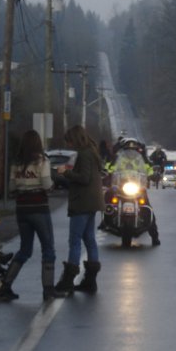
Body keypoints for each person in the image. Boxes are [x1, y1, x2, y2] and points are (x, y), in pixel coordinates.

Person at [0, 129, 56, 301]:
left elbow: (12, 187)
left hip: (22, 209)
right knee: (48, 249)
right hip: (39, 208)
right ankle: (48, 290)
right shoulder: (42, 160)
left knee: (25, 249)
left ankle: (5, 285)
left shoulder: (17, 163)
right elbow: (46, 183)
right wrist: (51, 186)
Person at [53, 125, 105, 296]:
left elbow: (84, 178)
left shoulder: (84, 155)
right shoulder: (92, 152)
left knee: (74, 241)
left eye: (69, 141)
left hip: (82, 203)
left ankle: (67, 281)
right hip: (92, 202)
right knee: (89, 239)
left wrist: (65, 172)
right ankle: (90, 281)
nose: (68, 145)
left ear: (75, 139)